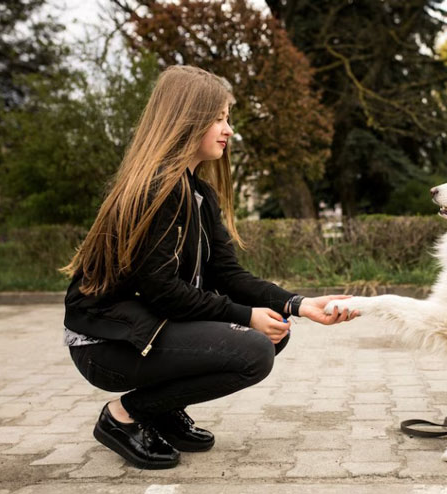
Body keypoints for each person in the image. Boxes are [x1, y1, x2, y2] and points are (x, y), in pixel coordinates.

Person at [61, 65, 357, 470]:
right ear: (187, 120)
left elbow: (227, 275)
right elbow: (160, 289)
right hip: (105, 343)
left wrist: (297, 304)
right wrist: (245, 316)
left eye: (227, 118)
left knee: (272, 332)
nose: (228, 129)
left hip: (144, 329)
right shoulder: (155, 189)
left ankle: (162, 410)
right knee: (254, 348)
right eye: (218, 118)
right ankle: (125, 414)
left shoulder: (199, 192)